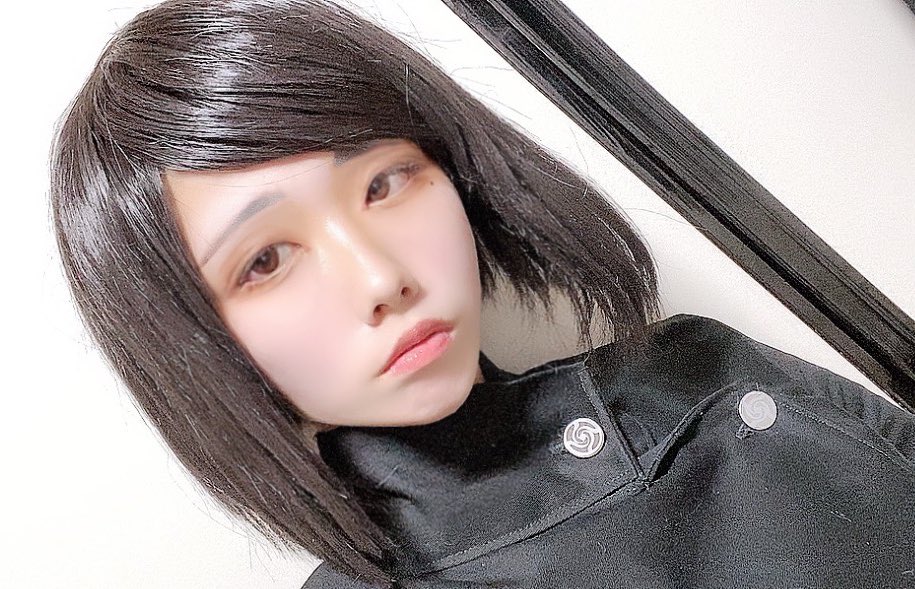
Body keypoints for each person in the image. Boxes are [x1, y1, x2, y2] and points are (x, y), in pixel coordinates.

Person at [48, 0, 915, 587]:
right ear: (190, 336)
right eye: (266, 260)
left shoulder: (708, 393)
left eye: (385, 183)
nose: (381, 277)